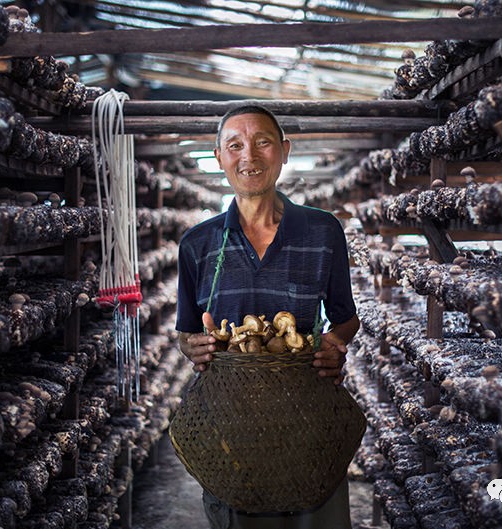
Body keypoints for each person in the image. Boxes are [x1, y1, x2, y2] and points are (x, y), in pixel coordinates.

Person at [175, 104, 361, 529]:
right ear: (219, 156)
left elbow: (346, 318)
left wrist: (336, 343)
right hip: (230, 432)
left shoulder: (323, 231)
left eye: (262, 143)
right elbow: (185, 333)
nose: (249, 157)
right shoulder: (198, 245)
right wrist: (195, 347)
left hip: (310, 425)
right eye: (235, 146)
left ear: (285, 150)